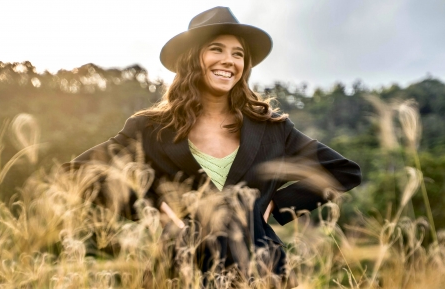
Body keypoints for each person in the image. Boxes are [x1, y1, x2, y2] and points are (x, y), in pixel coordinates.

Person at [65, 6, 361, 286]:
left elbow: (342, 171)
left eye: (238, 54)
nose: (228, 61)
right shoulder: (150, 129)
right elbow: (76, 173)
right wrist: (151, 209)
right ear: (193, 58)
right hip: (179, 273)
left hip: (262, 273)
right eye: (216, 49)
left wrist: (278, 204)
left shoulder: (273, 129)